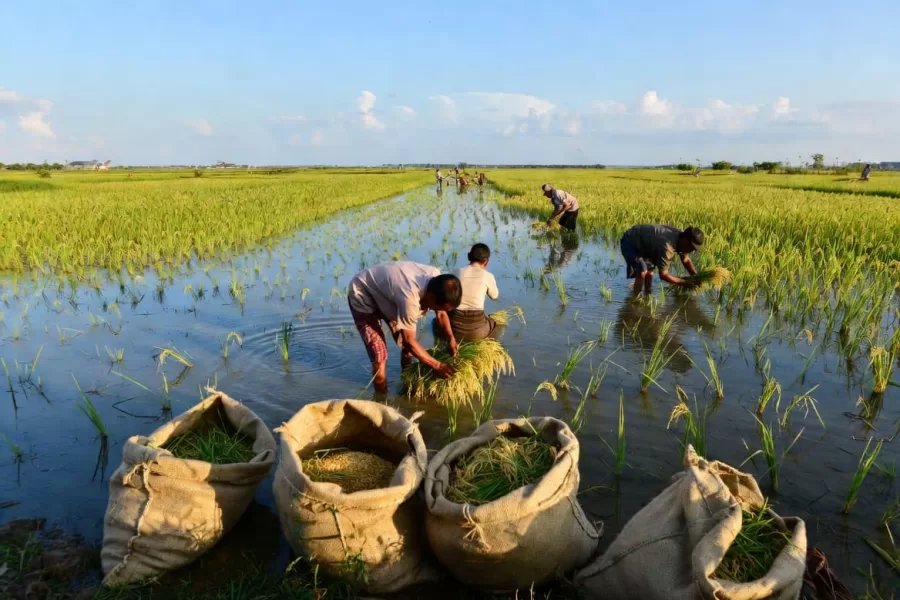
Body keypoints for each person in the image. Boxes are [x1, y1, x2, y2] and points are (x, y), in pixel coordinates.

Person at [348, 262, 461, 393]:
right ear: (431, 297)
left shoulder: (437, 280)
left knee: (408, 349)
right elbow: (409, 341)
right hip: (363, 293)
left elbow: (441, 314)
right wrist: (438, 365)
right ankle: (381, 399)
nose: (437, 310)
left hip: (389, 296)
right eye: (437, 307)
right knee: (379, 356)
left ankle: (406, 381)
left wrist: (451, 338)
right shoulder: (409, 298)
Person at [620, 224, 704, 295]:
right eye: (692, 248)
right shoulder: (668, 246)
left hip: (647, 246)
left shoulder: (681, 239)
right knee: (642, 271)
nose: (692, 251)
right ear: (686, 240)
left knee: (649, 273)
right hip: (630, 241)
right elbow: (663, 275)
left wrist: (695, 277)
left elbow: (685, 260)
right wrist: (685, 283)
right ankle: (635, 301)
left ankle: (647, 296)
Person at [448, 244, 500, 341]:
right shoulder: (487, 276)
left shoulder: (455, 272)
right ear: (486, 262)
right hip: (477, 332)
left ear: (469, 256)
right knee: (493, 324)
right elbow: (495, 296)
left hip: (453, 328)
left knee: (438, 320)